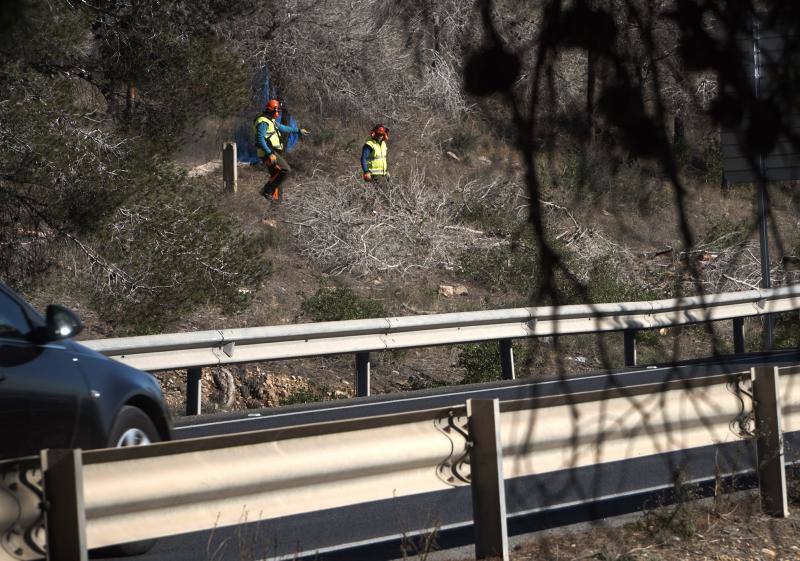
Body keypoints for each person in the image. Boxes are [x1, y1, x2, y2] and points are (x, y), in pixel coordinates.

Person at [253, 99, 308, 203]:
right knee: (286, 170)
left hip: (272, 152)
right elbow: (260, 139)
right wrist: (269, 153)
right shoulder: (263, 122)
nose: (278, 114)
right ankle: (266, 190)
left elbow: (283, 127)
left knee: (278, 180)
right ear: (272, 111)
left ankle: (275, 208)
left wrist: (298, 131)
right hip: (268, 153)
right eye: (277, 111)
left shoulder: (270, 120)